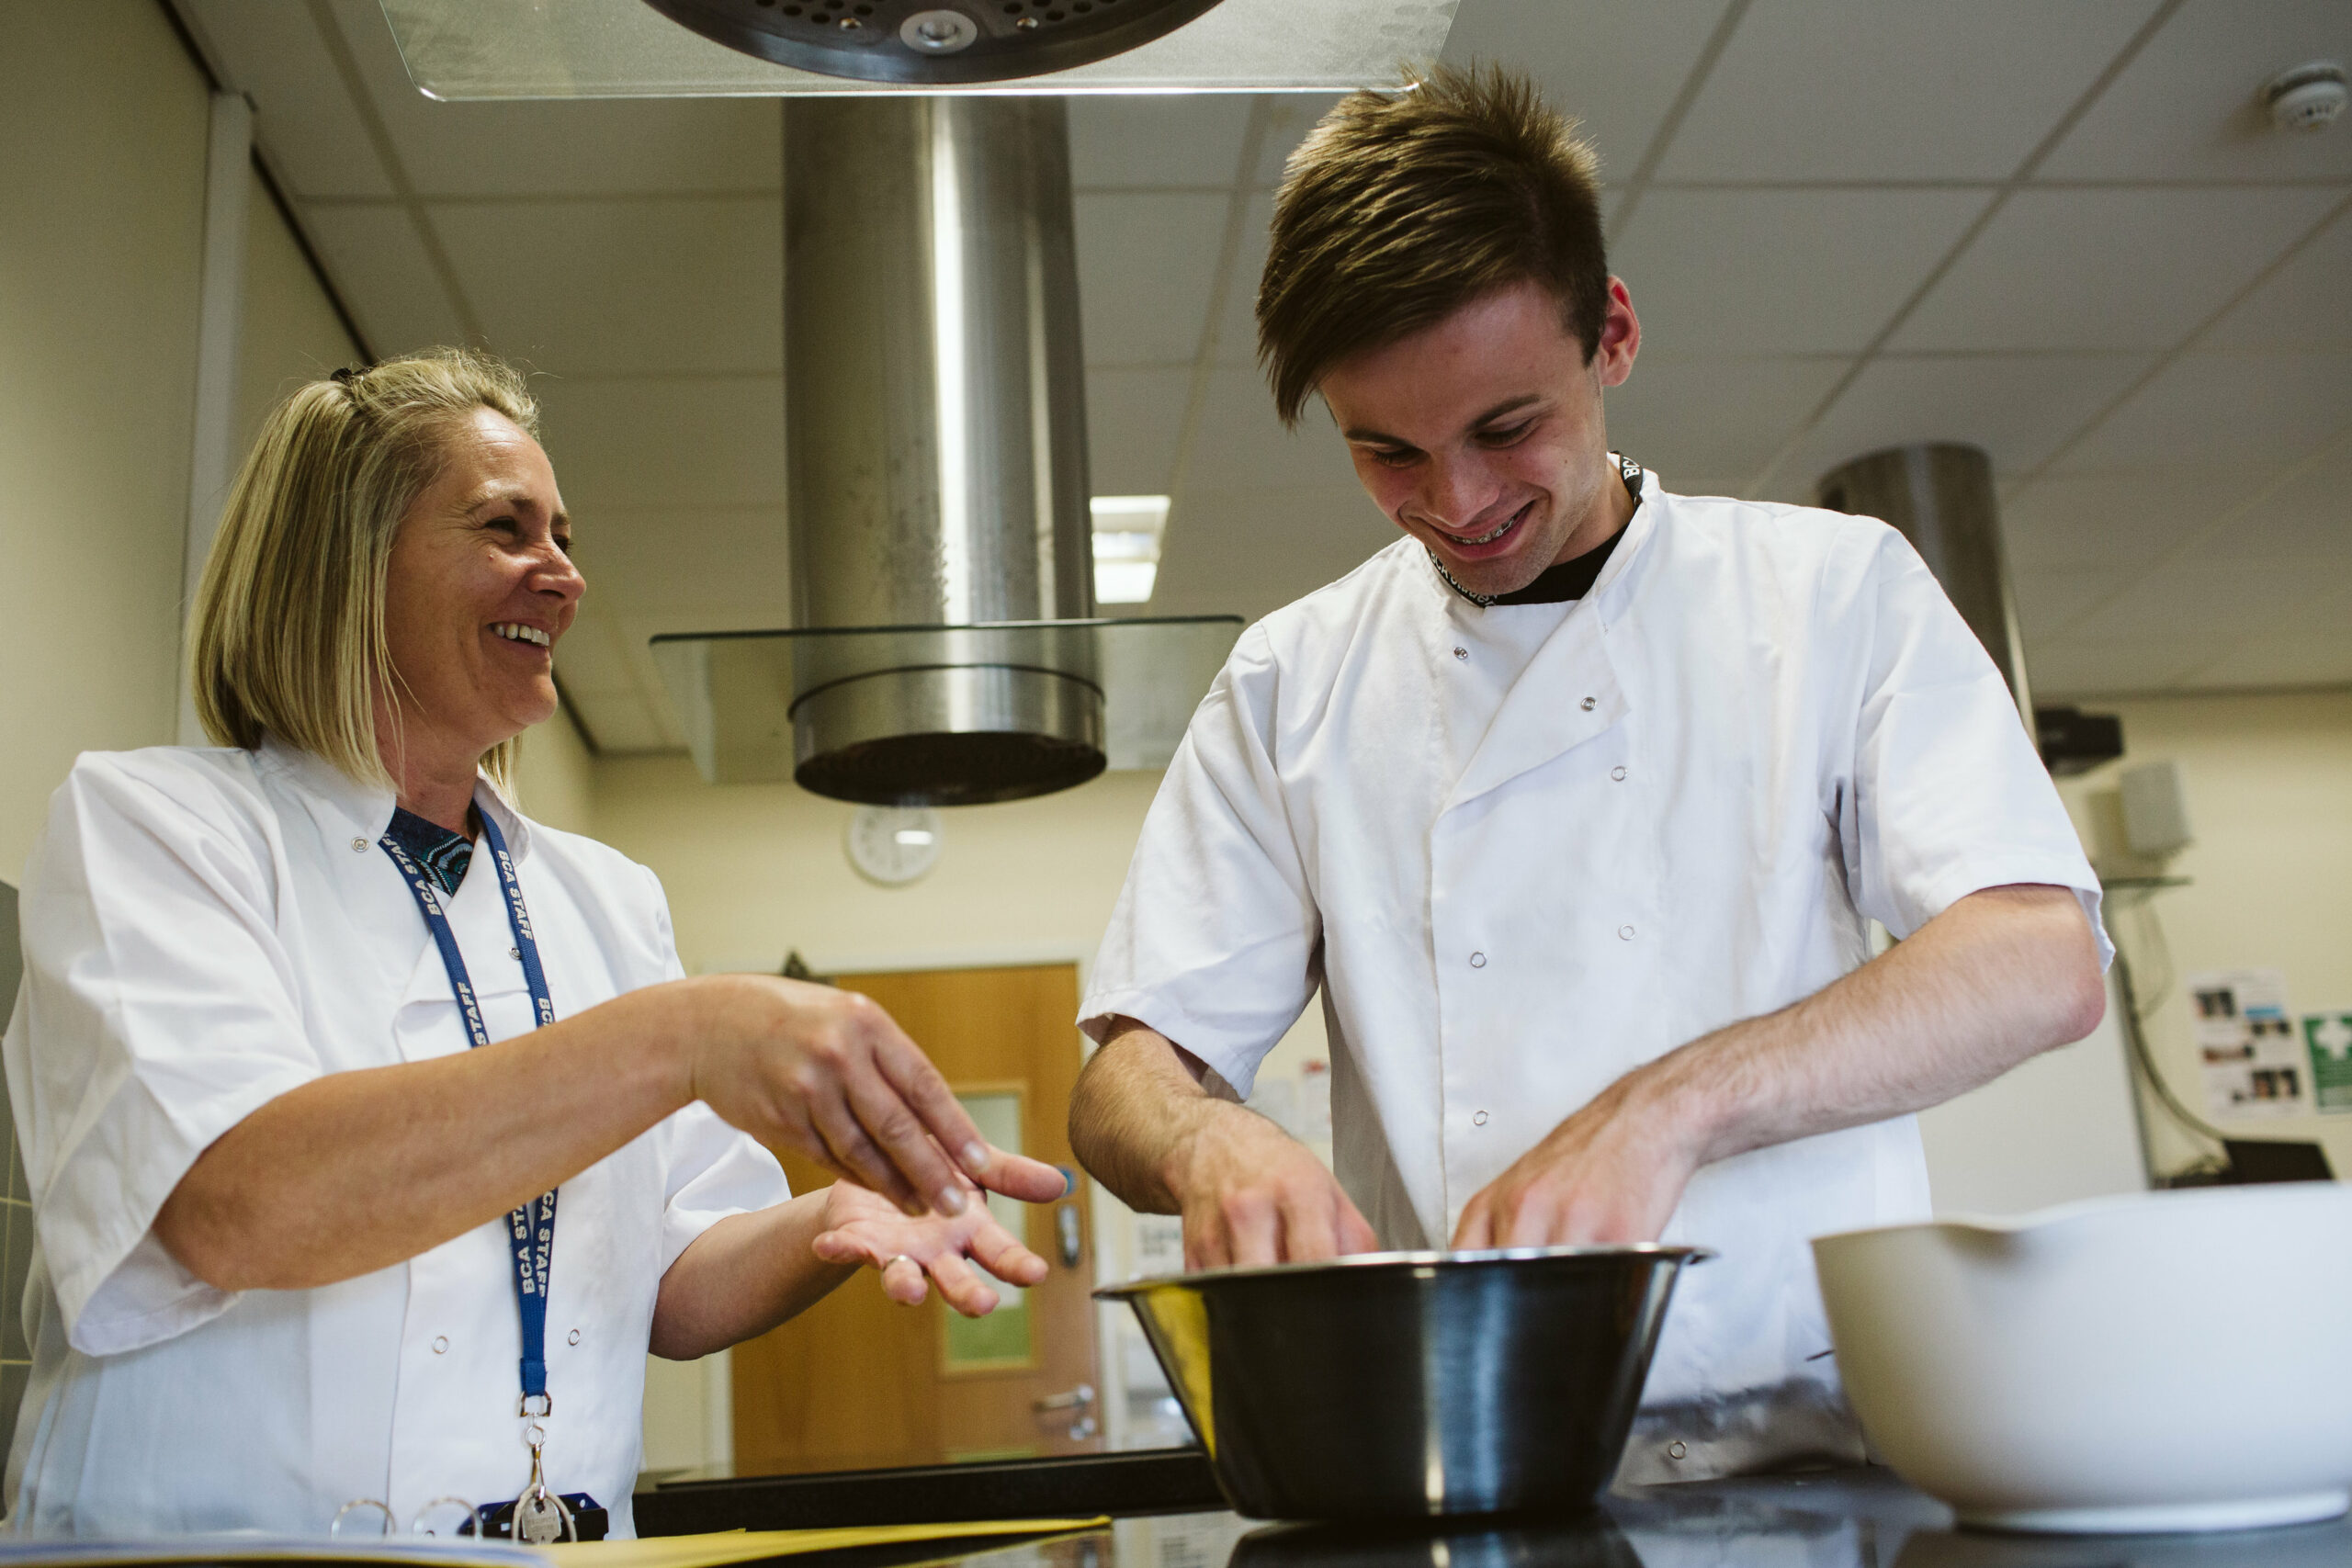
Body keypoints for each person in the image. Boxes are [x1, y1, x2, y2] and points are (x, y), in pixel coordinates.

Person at [1068, 67, 2111, 1481]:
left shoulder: (1824, 593)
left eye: (1507, 429)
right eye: (1386, 452)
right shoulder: (1292, 681)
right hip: (1476, 1444)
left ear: (1609, 334)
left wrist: (1663, 1112)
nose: (1457, 503)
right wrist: (1204, 1145)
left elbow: (2041, 961)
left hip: (1828, 1435)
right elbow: (1128, 1072)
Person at [1, 350, 1068, 1535]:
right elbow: (237, 1203)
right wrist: (683, 1037)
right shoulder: (155, 829)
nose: (562, 578)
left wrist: (829, 1224)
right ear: (347, 565)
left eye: (562, 535)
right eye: (507, 528)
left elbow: (670, 1278)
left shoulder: (604, 898)